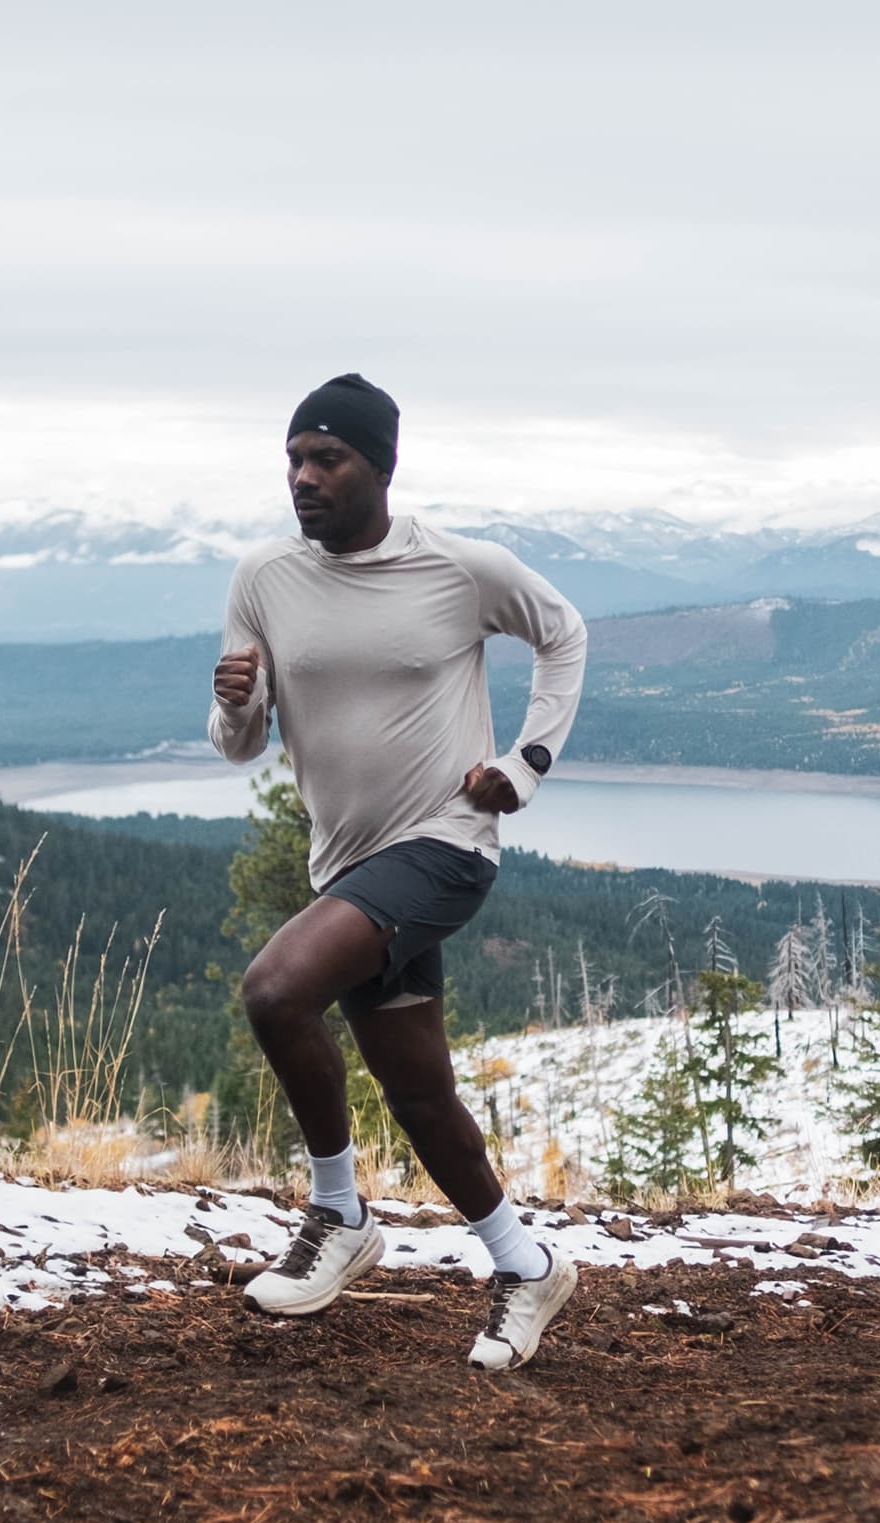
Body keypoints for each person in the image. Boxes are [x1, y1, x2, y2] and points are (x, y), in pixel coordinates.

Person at [207, 373, 588, 1371]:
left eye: (326, 459)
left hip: (446, 846)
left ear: (380, 466)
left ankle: (338, 1214)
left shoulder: (458, 569)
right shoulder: (263, 579)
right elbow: (237, 745)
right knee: (417, 1091)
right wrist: (236, 702)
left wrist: (525, 764)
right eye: (293, 459)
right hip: (350, 866)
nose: (303, 478)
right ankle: (526, 1262)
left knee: (277, 991)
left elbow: (564, 634)